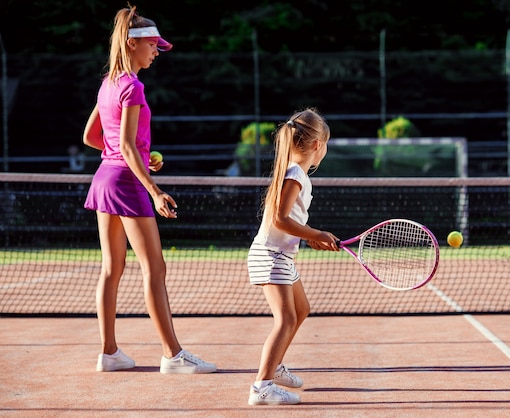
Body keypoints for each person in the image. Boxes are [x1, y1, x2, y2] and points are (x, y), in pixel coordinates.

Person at [82, 4, 216, 374]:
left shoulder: (109, 83)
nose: (157, 52)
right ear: (132, 44)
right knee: (155, 269)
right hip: (125, 183)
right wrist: (154, 189)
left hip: (105, 179)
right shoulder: (133, 87)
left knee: (112, 269)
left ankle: (109, 353)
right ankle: (174, 356)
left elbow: (93, 137)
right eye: (153, 45)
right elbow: (125, 146)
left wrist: (140, 154)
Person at [247, 108, 340, 405]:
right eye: (325, 144)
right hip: (271, 256)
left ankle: (273, 369)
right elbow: (278, 219)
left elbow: (289, 221)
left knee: (301, 310)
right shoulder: (296, 173)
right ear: (317, 145)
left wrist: (309, 236)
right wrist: (315, 234)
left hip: (281, 255)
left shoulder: (293, 172)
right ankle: (261, 387)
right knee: (286, 319)